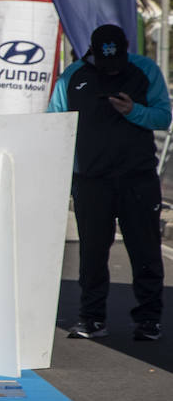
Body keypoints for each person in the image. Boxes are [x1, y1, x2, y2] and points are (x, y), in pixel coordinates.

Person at [49, 24, 169, 342]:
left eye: (116, 64)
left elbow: (163, 116)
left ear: (126, 48)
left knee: (145, 252)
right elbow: (54, 122)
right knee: (92, 254)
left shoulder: (145, 71)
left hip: (138, 178)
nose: (111, 71)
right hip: (91, 181)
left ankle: (148, 319)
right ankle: (92, 319)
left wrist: (134, 111)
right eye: (105, 66)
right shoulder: (72, 77)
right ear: (91, 52)